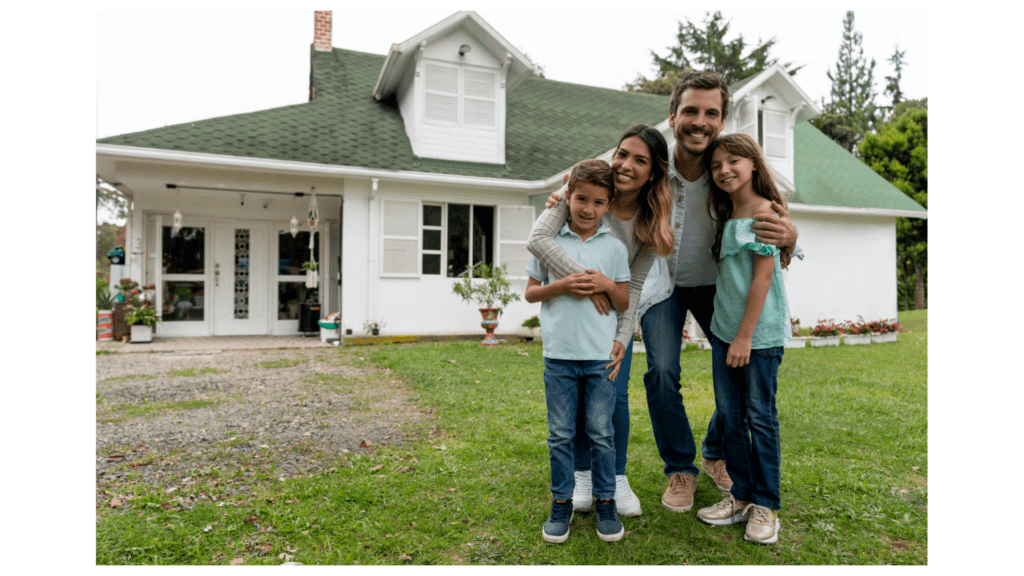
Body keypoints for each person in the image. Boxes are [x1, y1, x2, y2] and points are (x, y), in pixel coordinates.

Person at [537, 71, 800, 515]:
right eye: (691, 111)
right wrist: (562, 197)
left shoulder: (728, 165)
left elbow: (765, 208)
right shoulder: (651, 161)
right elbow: (597, 177)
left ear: (722, 119)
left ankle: (715, 450)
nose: (700, 121)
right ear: (673, 115)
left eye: (711, 113)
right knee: (661, 373)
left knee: (733, 378)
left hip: (720, 288)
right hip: (663, 289)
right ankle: (681, 469)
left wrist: (789, 235)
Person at [527, 124, 675, 518]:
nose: (625, 164)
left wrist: (623, 338)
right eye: (623, 153)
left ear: (654, 172)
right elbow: (538, 241)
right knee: (574, 401)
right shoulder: (583, 188)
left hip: (622, 306)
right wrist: (590, 284)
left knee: (616, 392)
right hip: (587, 306)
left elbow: (637, 286)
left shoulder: (650, 219)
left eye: (640, 160)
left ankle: (617, 475)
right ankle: (581, 476)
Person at [525, 158, 632, 544]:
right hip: (559, 358)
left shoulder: (615, 248)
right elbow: (531, 292)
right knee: (560, 434)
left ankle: (606, 502)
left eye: (599, 202)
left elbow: (623, 301)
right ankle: (561, 503)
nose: (588, 209)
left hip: (600, 358)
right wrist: (561, 286)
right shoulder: (550, 245)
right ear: (567, 197)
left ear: (608, 205)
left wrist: (604, 282)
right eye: (581, 199)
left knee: (601, 433)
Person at [694, 133, 791, 545]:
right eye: (716, 166)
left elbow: (763, 278)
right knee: (729, 416)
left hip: (757, 337)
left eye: (733, 161)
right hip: (724, 332)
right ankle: (740, 496)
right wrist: (729, 335)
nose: (724, 170)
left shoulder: (766, 213)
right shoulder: (727, 211)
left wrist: (745, 337)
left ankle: (765, 504)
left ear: (753, 163)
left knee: (759, 416)